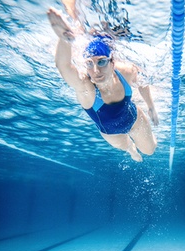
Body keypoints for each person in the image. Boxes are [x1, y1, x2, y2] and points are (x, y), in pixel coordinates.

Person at [47, 7, 158, 162]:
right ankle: (131, 150)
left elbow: (142, 81)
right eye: (89, 64)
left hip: (134, 119)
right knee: (128, 147)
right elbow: (64, 66)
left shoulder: (124, 72)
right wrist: (65, 38)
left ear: (112, 63)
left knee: (150, 151)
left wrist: (150, 106)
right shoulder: (87, 90)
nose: (96, 70)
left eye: (102, 62)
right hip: (112, 134)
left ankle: (134, 146)